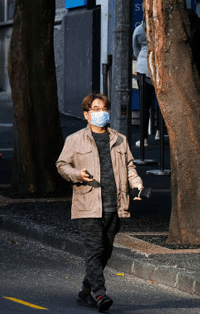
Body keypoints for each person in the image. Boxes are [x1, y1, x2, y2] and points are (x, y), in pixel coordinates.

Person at [56, 93, 144, 312]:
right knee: (94, 249)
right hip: (88, 204)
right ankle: (100, 293)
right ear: (86, 114)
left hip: (115, 204)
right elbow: (62, 165)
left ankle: (86, 290)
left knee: (105, 250)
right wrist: (77, 175)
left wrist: (136, 183)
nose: (101, 113)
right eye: (96, 109)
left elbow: (129, 166)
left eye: (104, 109)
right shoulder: (75, 140)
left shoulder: (120, 139)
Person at [132, 20, 156, 147]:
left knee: (144, 104)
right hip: (159, 67)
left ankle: (143, 138)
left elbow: (136, 49)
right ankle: (159, 131)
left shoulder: (139, 30)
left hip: (143, 67)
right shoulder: (161, 27)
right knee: (162, 103)